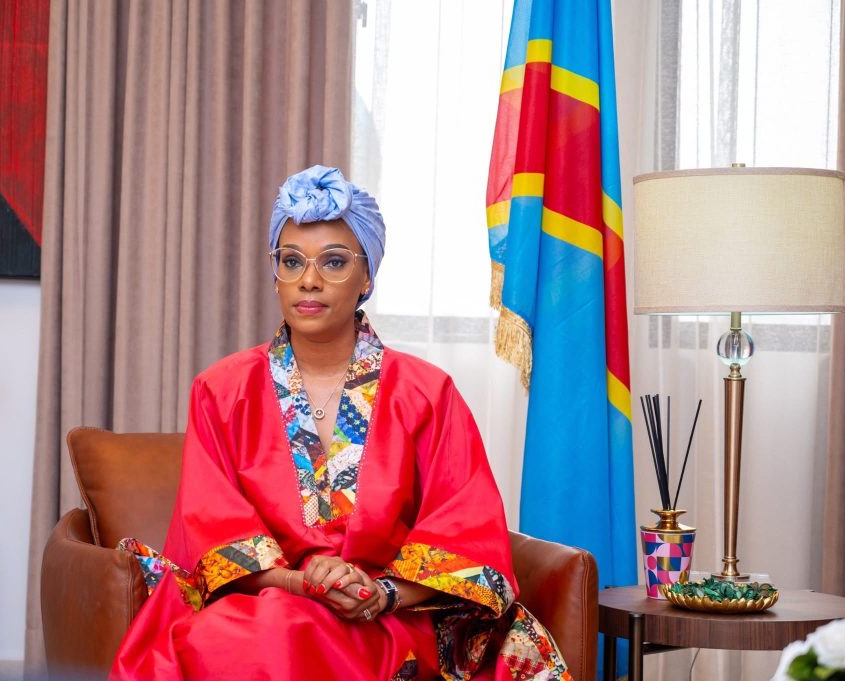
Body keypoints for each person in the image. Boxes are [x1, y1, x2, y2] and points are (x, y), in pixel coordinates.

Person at [110, 166, 571, 680]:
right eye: (291, 261)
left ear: (367, 276)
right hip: (263, 605)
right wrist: (299, 583)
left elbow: (466, 529)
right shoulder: (220, 391)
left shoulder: (427, 394)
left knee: (278, 635)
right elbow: (211, 535)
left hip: (386, 615)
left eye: (333, 262)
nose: (308, 280)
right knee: (254, 632)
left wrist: (381, 592)